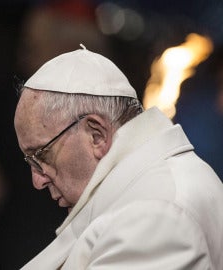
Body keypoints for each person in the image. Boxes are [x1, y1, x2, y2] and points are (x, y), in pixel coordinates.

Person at [14, 45, 223, 269]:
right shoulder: (147, 192)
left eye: (41, 155)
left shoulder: (154, 215)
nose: (38, 181)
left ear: (96, 135)